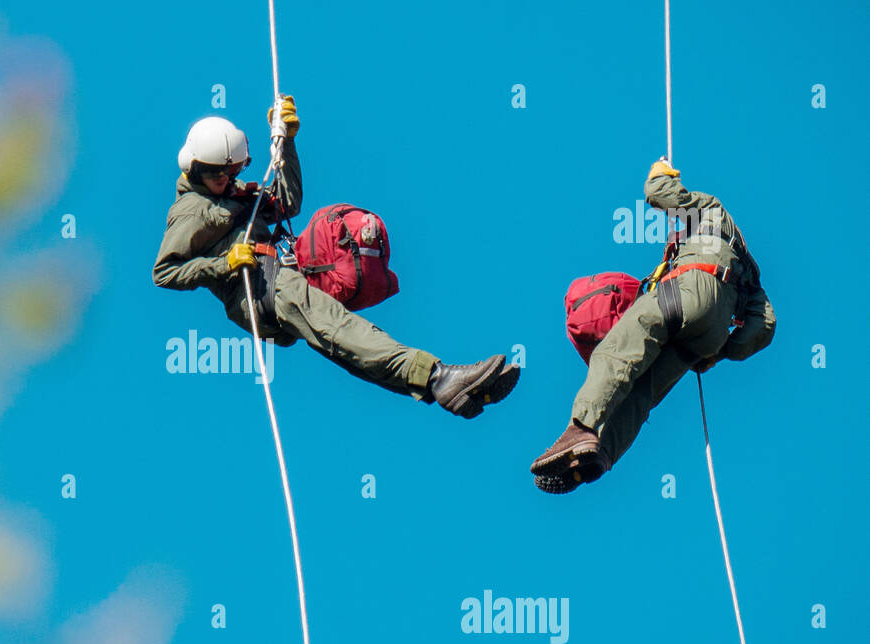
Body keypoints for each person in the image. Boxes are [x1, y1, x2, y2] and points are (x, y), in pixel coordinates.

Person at [153, 96, 518, 417]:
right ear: (198, 170)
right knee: (339, 328)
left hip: (275, 277)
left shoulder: (231, 196)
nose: (231, 179)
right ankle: (438, 376)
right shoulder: (191, 211)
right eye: (223, 174)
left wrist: (288, 144)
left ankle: (436, 386)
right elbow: (165, 272)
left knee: (340, 340)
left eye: (236, 170)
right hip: (258, 290)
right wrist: (225, 263)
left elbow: (287, 203)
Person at [530, 159, 777, 493]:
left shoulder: (709, 210)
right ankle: (601, 454)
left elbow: (659, 192)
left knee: (615, 353)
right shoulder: (751, 280)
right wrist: (721, 352)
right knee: (641, 395)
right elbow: (764, 326)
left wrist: (661, 172)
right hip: (708, 335)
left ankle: (581, 428)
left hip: (690, 289)